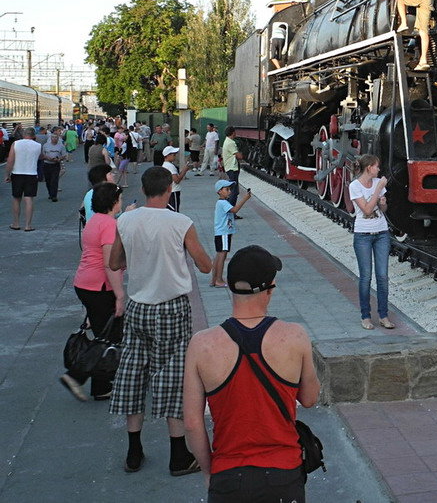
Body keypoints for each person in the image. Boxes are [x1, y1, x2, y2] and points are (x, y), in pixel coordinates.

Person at [183, 246, 320, 501]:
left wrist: (209, 472)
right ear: (269, 289)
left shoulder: (201, 344)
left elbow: (191, 423)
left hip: (229, 475)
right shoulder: (295, 335)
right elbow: (310, 398)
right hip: (284, 473)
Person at [108, 166, 213, 475]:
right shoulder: (181, 222)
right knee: (173, 378)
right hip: (171, 309)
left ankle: (133, 450)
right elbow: (206, 266)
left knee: (133, 375)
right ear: (169, 189)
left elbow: (114, 262)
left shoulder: (125, 220)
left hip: (138, 308)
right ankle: (178, 455)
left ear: (142, 190)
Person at [61, 182, 127, 401]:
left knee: (107, 334)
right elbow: (110, 263)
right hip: (99, 285)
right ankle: (76, 376)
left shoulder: (94, 221)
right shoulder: (109, 224)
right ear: (113, 201)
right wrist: (119, 295)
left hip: (85, 283)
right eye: (119, 197)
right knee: (107, 337)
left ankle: (101, 386)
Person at [350, 155, 393, 329]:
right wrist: (378, 190)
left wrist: (383, 203)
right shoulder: (354, 186)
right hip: (363, 235)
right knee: (366, 277)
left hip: (382, 232)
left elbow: (383, 209)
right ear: (369, 168)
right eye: (376, 166)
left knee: (382, 276)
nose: (378, 169)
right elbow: (367, 210)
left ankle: (383, 315)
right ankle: (365, 316)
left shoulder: (377, 183)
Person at [210, 180, 253, 288]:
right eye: (227, 189)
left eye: (230, 189)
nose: (229, 192)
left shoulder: (222, 202)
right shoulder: (223, 203)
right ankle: (219, 280)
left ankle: (214, 279)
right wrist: (245, 198)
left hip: (221, 232)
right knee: (222, 256)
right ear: (219, 191)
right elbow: (235, 210)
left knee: (219, 255)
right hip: (223, 233)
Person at [4, 127, 42, 231]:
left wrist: (7, 174)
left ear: (23, 134)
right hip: (31, 174)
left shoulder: (16, 144)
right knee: (29, 199)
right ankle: (28, 225)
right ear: (34, 136)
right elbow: (40, 157)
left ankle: (16, 223)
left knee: (16, 198)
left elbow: (10, 160)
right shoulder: (38, 146)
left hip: (17, 174)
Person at [40, 129, 69, 202]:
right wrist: (48, 158)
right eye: (53, 137)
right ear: (50, 138)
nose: (54, 139)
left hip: (55, 164)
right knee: (48, 180)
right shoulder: (46, 145)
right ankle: (50, 193)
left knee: (54, 180)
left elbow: (64, 155)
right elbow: (42, 155)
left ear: (58, 138)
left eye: (56, 137)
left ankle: (54, 196)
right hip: (47, 164)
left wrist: (59, 159)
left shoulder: (61, 146)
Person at [161, 145, 189, 212]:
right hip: (173, 192)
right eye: (173, 155)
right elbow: (177, 180)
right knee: (175, 211)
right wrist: (184, 170)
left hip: (169, 191)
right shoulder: (170, 166)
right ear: (168, 155)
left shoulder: (165, 165)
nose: (175, 156)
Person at [221, 127, 243, 209]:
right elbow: (239, 156)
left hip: (230, 167)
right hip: (232, 168)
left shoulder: (227, 141)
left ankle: (230, 209)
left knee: (233, 190)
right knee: (234, 191)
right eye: (235, 132)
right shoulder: (231, 143)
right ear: (233, 133)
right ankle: (231, 210)